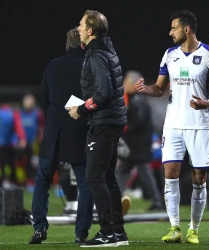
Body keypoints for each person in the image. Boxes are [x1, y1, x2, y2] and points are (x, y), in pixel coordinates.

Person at [134, 10, 209, 244]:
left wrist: (207, 102)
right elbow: (160, 88)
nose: (170, 32)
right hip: (172, 124)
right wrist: (146, 88)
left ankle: (193, 229)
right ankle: (175, 228)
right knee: (170, 175)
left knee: (199, 178)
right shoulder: (169, 54)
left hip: (198, 124)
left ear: (187, 29)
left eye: (173, 27)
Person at [68, 10, 128, 247]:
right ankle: (118, 232)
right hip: (112, 121)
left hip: (103, 122)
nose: (78, 28)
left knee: (94, 177)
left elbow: (102, 94)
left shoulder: (96, 55)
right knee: (108, 177)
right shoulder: (106, 51)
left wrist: (81, 109)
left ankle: (108, 233)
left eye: (81, 24)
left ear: (91, 31)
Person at [29, 27, 94, 244]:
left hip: (54, 130)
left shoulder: (53, 65)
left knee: (42, 181)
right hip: (79, 129)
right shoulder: (90, 65)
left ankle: (39, 228)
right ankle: (81, 233)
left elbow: (44, 99)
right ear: (83, 43)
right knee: (85, 184)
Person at [116, 70, 164, 211]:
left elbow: (138, 122)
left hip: (138, 145)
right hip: (134, 144)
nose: (124, 84)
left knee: (144, 173)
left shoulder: (138, 100)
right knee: (123, 172)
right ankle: (115, 199)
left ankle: (157, 201)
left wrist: (123, 128)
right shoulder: (134, 99)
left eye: (126, 81)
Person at [19, 93, 45, 191]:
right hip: (22, 142)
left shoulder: (38, 113)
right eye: (28, 101)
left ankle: (31, 182)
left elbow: (42, 126)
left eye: (31, 101)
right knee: (22, 162)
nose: (30, 103)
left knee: (34, 163)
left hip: (35, 143)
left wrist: (40, 139)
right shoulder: (20, 113)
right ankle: (21, 181)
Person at [0, 103, 27, 187]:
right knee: (12, 163)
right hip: (10, 144)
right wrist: (22, 138)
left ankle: (4, 181)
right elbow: (18, 126)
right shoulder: (13, 114)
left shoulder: (4, 113)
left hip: (3, 144)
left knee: (3, 164)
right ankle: (12, 182)